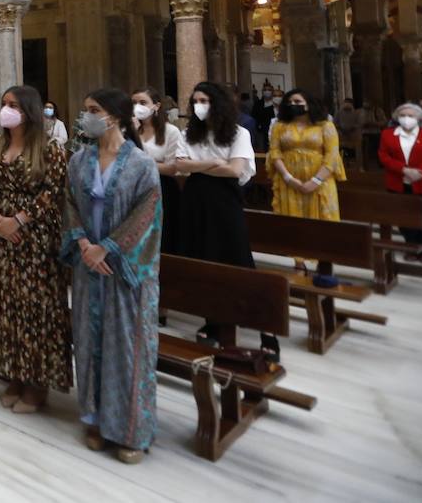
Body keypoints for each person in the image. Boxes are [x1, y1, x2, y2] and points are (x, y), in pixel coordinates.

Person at [60, 88, 161, 464]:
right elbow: (69, 204)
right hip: (89, 266)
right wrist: (84, 243)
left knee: (127, 347)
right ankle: (96, 418)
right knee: (89, 342)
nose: (85, 116)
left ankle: (131, 428)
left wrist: (111, 248)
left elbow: (147, 215)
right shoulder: (79, 159)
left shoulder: (141, 164)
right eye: (85, 110)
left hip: (124, 270)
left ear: (115, 117)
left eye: (93, 111)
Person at [0, 85, 72, 414]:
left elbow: (52, 189)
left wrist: (20, 220)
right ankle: (13, 372)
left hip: (35, 240)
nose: (6, 110)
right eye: (3, 104)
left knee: (35, 308)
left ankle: (37, 381)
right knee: (4, 304)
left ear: (28, 110)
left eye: (13, 105)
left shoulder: (50, 149)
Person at [174, 82, 264, 351]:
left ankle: (263, 326)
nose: (199, 105)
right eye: (196, 100)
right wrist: (214, 163)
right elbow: (180, 165)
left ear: (218, 103)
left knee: (237, 259)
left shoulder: (239, 133)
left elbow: (235, 170)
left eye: (205, 100)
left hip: (225, 200)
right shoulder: (188, 133)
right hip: (195, 199)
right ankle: (212, 319)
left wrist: (199, 167)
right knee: (204, 258)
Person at [267, 88, 345, 231]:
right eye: (289, 102)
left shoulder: (325, 125)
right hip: (289, 181)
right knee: (292, 225)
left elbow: (332, 155)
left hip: (320, 180)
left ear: (309, 104)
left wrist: (315, 181)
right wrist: (288, 177)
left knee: (322, 223)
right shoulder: (279, 126)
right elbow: (274, 152)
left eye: (297, 101)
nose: (292, 104)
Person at [379, 103, 422, 264]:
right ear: (397, 117)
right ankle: (411, 247)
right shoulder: (388, 134)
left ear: (419, 118)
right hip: (399, 182)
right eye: (403, 115)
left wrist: (421, 172)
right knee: (405, 218)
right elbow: (384, 156)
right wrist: (404, 170)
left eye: (411, 116)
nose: (407, 119)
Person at [132, 87, 183, 256]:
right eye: (134, 103)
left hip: (162, 187)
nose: (137, 106)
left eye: (142, 102)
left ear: (156, 106)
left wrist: (141, 162)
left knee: (162, 239)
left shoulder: (171, 131)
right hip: (135, 187)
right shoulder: (131, 131)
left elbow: (172, 167)